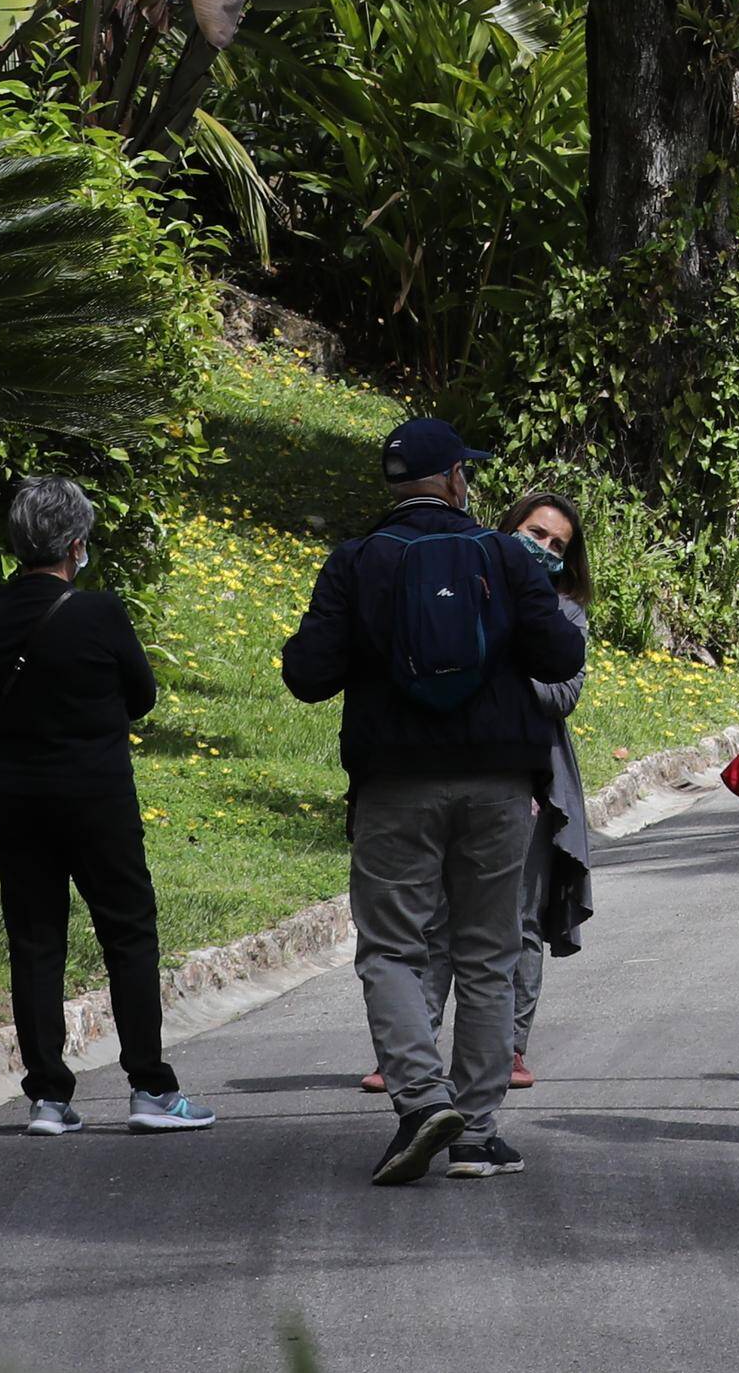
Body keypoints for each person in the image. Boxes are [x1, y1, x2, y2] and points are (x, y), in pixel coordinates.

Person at [281, 413, 587, 1188]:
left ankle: (420, 1100)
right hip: (498, 784)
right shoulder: (505, 555)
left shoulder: (356, 561)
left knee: (392, 946)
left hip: (394, 783)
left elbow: (307, 675)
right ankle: (477, 1134)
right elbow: (561, 653)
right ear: (455, 479)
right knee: (488, 951)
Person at [0, 477, 214, 1136]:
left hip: (14, 792)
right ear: (76, 544)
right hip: (94, 792)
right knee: (128, 932)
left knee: (35, 938)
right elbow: (141, 693)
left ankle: (48, 1096)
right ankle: (150, 1088)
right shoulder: (99, 611)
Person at [492, 488, 603, 1092]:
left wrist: (501, 656)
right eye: (536, 535)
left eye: (557, 545)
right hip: (459, 769)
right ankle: (409, 1048)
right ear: (510, 528)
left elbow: (562, 694)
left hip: (535, 782)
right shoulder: (470, 586)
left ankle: (511, 1048)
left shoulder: (566, 617)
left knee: (520, 920)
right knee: (434, 919)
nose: (544, 550)